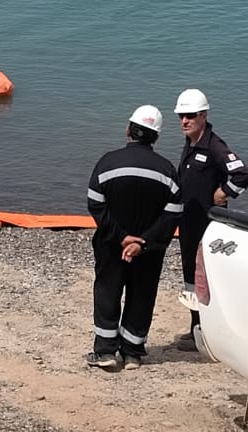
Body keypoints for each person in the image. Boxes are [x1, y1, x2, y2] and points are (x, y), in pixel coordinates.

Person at [84, 105, 183, 371]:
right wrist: (143, 242)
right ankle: (132, 353)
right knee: (142, 294)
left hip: (110, 245)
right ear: (156, 137)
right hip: (149, 251)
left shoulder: (108, 162)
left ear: (128, 130)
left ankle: (105, 351)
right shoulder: (167, 171)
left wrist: (122, 237)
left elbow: (95, 204)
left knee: (108, 289)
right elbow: (173, 213)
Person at [172, 88, 248, 351]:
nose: (185, 121)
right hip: (188, 225)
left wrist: (224, 192)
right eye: (181, 116)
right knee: (190, 279)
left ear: (203, 115)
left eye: (190, 116)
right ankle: (196, 329)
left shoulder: (215, 147)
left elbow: (243, 175)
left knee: (205, 279)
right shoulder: (191, 143)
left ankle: (208, 335)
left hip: (206, 227)